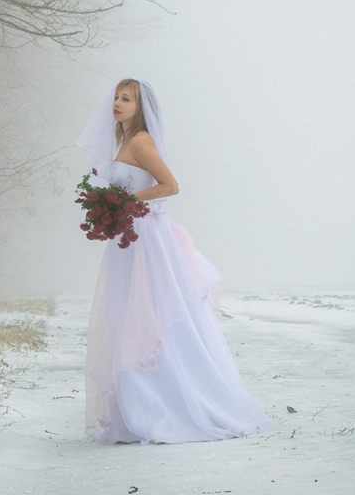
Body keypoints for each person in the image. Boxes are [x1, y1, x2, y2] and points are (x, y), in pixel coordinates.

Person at [77, 78, 273, 444]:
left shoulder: (140, 141)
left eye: (127, 99)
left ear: (140, 108)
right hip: (127, 240)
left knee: (148, 315)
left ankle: (160, 406)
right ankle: (135, 406)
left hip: (147, 240)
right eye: (116, 97)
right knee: (127, 315)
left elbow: (170, 185)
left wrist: (125, 202)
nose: (117, 104)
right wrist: (111, 206)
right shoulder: (122, 142)